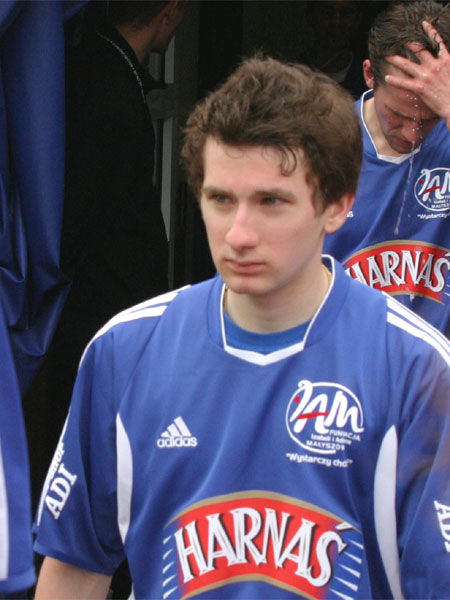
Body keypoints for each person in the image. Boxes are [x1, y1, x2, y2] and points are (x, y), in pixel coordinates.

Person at [33, 56, 450, 599]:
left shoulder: (417, 368)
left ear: (338, 206)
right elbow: (75, 569)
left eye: (271, 202)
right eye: (221, 200)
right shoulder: (124, 350)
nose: (239, 234)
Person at [24, 0, 184, 510]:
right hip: (95, 308)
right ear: (170, 11)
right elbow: (81, 218)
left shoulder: (100, 65)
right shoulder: (106, 85)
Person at [324, 0, 450, 337]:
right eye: (398, 115)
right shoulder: (322, 145)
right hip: (346, 358)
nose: (412, 134)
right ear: (368, 75)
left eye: (429, 118)